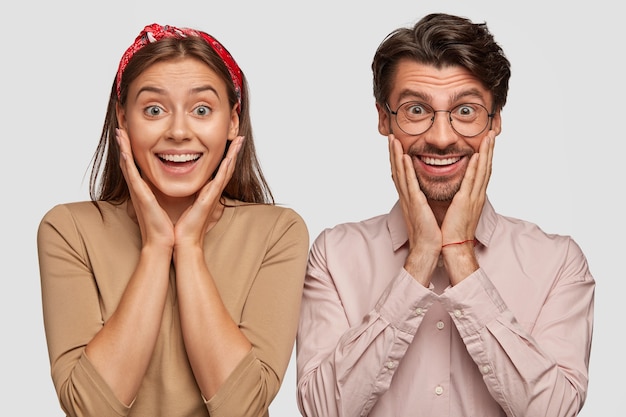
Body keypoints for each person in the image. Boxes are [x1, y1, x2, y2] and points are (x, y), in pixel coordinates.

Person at [296, 12, 594, 417]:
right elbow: (322, 410)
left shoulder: (558, 262)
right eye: (416, 110)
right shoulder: (334, 254)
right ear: (385, 119)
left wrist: (460, 257)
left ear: (496, 121)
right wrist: (418, 260)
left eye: (466, 111)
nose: (441, 137)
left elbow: (553, 411)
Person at [37, 23, 309, 417]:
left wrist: (191, 248)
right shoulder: (68, 230)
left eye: (201, 110)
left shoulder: (277, 232)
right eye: (153, 110)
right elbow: (90, 409)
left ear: (233, 121)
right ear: (123, 119)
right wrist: (155, 247)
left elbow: (243, 409)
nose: (179, 131)